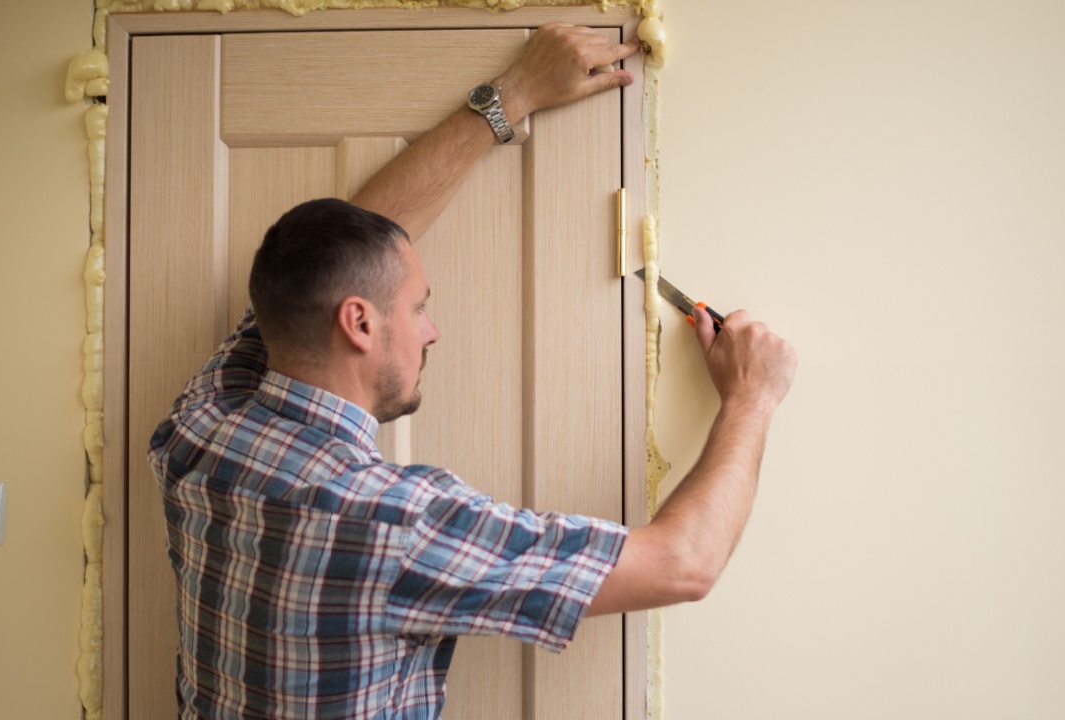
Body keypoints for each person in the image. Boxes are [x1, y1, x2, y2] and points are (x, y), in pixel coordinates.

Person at [149, 23, 797, 720]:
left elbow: (346, 251)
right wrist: (752, 398)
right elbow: (683, 563)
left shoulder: (202, 427)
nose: (433, 331)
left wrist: (512, 96)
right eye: (420, 307)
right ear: (359, 323)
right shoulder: (397, 524)